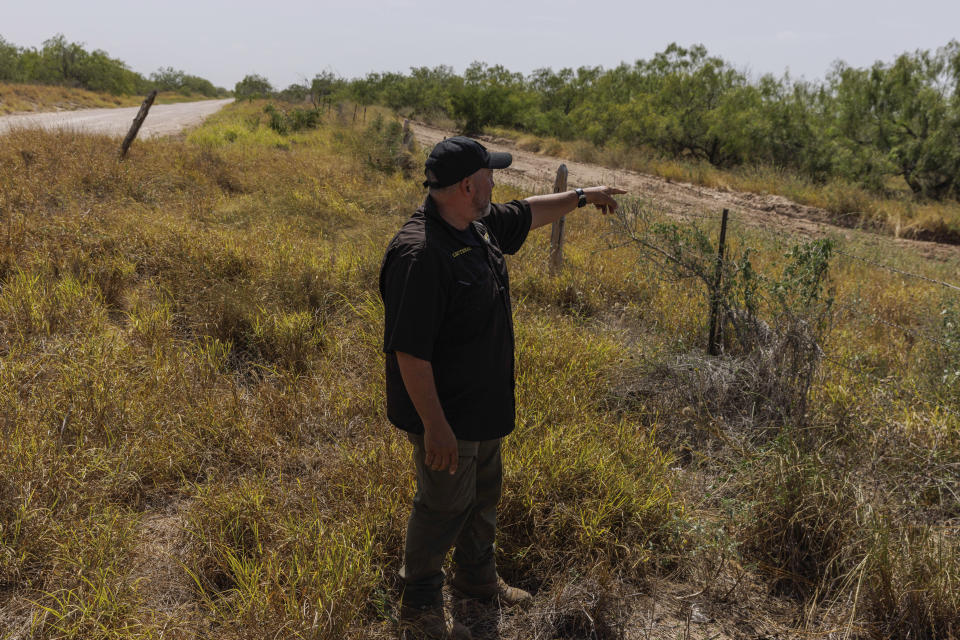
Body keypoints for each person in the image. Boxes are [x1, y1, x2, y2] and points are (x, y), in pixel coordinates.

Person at [379, 136, 625, 640]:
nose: (497, 180)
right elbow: (410, 353)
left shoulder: (477, 224)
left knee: (482, 496)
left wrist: (582, 195)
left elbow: (529, 212)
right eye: (490, 173)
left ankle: (476, 580)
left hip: (484, 407)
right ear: (468, 184)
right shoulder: (421, 255)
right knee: (442, 504)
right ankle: (420, 603)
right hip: (446, 415)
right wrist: (436, 428)